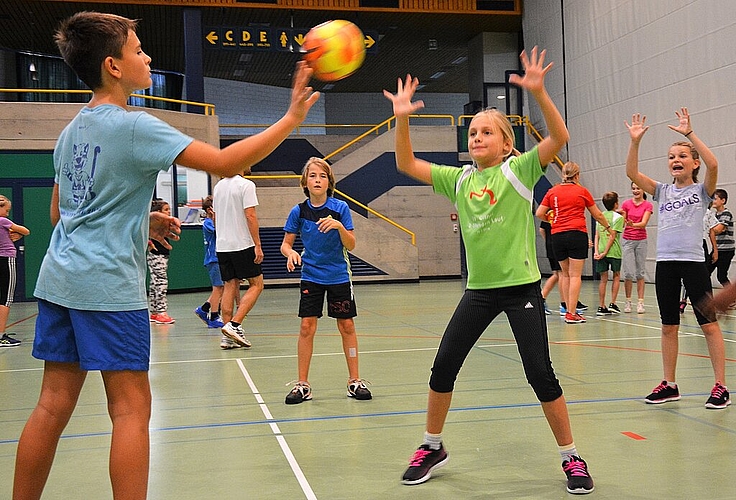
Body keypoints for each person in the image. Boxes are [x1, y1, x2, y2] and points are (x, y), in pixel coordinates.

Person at [12, 11, 318, 500]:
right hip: (107, 286)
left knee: (50, 406)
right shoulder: (134, 126)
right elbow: (226, 163)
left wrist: (141, 219)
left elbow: (62, 213)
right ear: (113, 65)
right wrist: (291, 119)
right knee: (132, 411)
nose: (148, 56)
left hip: (59, 281)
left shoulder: (71, 132)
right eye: (138, 50)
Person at [384, 47, 594, 494]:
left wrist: (537, 92)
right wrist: (401, 117)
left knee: (541, 374)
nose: (476, 138)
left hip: (521, 289)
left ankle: (571, 456)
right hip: (478, 291)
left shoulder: (519, 170)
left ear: (505, 143)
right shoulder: (459, 179)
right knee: (443, 367)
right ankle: (431, 444)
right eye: (472, 133)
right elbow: (405, 163)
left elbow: (559, 137)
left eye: (486, 133)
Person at [625, 109, 729, 410]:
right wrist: (635, 143)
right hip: (666, 263)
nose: (675, 160)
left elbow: (714, 163)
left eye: (682, 156)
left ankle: (721, 386)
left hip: (694, 262)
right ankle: (670, 384)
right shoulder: (662, 191)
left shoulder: (702, 191)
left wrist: (689, 135)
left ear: (692, 163)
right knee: (668, 325)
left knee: (708, 324)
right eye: (671, 156)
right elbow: (632, 174)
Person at [280, 157, 372, 404]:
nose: (317, 180)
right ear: (305, 182)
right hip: (311, 275)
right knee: (306, 326)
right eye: (312, 176)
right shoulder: (298, 211)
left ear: (329, 182)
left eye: (322, 176)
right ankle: (303, 385)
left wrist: (339, 227)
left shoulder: (340, 208)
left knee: (347, 326)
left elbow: (351, 244)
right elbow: (285, 245)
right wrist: (291, 254)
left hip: (338, 276)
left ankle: (354, 381)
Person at [537, 162, 615, 324]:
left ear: (563, 175)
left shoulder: (552, 191)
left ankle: (566, 309)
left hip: (557, 235)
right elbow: (598, 215)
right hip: (576, 234)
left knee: (564, 274)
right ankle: (571, 313)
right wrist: (608, 228)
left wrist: (551, 220)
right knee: (575, 275)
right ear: (577, 175)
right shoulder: (582, 191)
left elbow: (539, 213)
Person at [213, 171, 264, 350]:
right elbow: (250, 215)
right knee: (257, 284)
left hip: (222, 245)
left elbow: (215, 217)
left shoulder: (218, 186)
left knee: (230, 285)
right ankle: (234, 325)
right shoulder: (246, 185)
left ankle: (227, 338)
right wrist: (257, 244)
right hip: (242, 243)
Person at [0, 194, 30, 348]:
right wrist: (17, 232)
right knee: (6, 298)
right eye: (7, 210)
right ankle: (1, 336)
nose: (7, 214)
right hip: (6, 259)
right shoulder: (3, 221)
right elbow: (26, 231)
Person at [194, 195, 225, 331]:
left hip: (218, 258)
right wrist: (214, 218)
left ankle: (204, 309)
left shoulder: (215, 221)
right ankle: (213, 316)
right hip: (214, 259)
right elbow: (219, 232)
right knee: (218, 288)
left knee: (221, 287)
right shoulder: (208, 223)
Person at [620, 182, 653, 313]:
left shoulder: (647, 205)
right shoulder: (626, 204)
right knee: (628, 273)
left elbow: (644, 223)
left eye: (638, 188)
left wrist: (633, 224)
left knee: (640, 272)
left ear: (643, 189)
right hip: (628, 240)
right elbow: (623, 223)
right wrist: (620, 218)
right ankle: (628, 301)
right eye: (633, 189)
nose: (635, 191)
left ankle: (640, 302)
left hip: (641, 241)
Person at [681, 203, 719, 313]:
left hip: (701, 244)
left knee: (704, 274)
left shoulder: (708, 213)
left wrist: (715, 250)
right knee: (687, 273)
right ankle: (683, 300)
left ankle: (708, 302)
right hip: (688, 244)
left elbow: (712, 232)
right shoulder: (686, 211)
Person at [594, 192, 625, 315]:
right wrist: (606, 251)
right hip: (614, 252)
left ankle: (601, 306)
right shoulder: (618, 218)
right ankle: (613, 303)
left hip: (601, 250)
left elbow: (596, 236)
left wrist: (597, 252)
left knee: (603, 279)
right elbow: (613, 236)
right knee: (616, 275)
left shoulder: (600, 216)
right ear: (616, 203)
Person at [147, 198, 174, 324]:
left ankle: (154, 312)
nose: (169, 212)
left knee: (155, 282)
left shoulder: (164, 225)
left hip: (160, 255)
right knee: (160, 282)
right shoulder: (153, 225)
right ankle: (161, 312)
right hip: (157, 255)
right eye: (166, 210)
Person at [707, 188, 734, 288]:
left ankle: (733, 298)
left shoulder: (726, 214)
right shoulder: (713, 215)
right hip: (716, 249)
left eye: (715, 198)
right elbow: (713, 229)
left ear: (723, 201)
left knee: (721, 276)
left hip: (726, 250)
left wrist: (712, 229)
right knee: (705, 272)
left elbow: (717, 229)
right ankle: (705, 297)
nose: (713, 201)